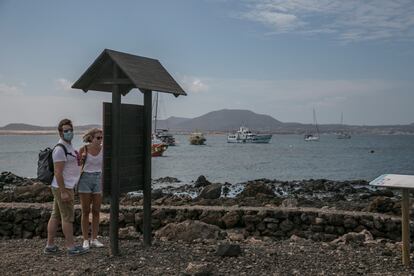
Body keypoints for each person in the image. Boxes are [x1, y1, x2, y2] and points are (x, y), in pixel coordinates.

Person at [44, 119, 89, 256]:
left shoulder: (68, 146)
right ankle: (71, 248)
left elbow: (71, 165)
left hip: (64, 186)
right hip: (63, 187)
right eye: (66, 130)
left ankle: (50, 246)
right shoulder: (59, 149)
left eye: (70, 130)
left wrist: (80, 160)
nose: (69, 132)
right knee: (67, 217)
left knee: (55, 215)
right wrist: (63, 191)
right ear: (60, 132)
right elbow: (58, 172)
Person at [78, 128, 104, 249]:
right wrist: (82, 159)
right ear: (91, 138)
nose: (100, 140)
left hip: (98, 178)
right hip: (85, 179)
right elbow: (76, 165)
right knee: (85, 211)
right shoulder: (84, 149)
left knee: (96, 211)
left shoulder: (104, 149)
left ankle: (94, 238)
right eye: (98, 138)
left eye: (101, 138)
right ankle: (85, 240)